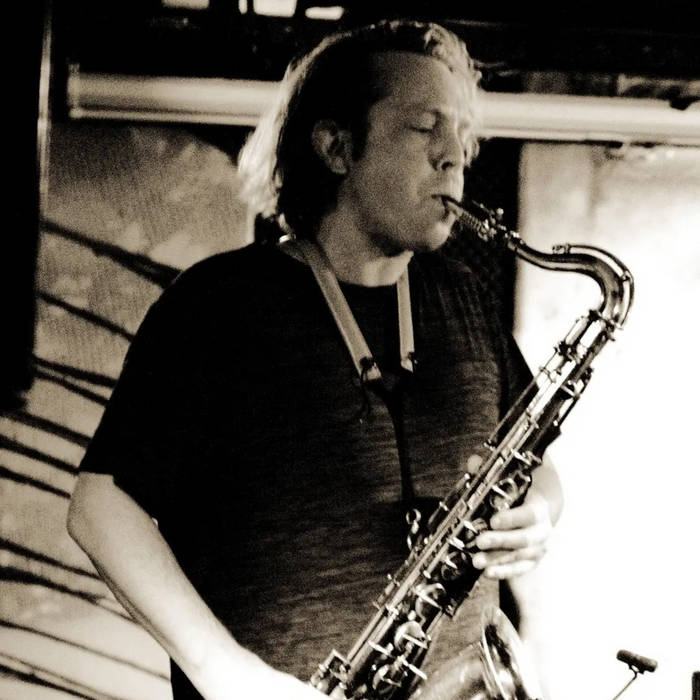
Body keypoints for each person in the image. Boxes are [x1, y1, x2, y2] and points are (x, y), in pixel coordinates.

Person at [67, 19, 563, 700]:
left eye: (460, 133)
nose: (454, 156)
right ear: (336, 148)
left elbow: (533, 463)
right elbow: (100, 506)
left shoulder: (464, 296)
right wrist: (228, 675)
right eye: (425, 128)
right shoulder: (220, 306)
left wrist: (540, 511)